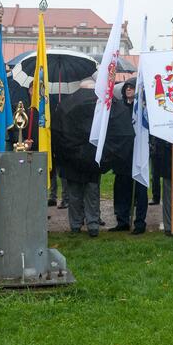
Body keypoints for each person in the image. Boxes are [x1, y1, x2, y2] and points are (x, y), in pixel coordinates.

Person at [53, 79, 105, 238]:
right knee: (85, 193)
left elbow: (58, 134)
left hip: (77, 157)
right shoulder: (98, 106)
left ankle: (83, 224)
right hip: (84, 157)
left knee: (82, 193)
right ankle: (87, 224)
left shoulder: (66, 106)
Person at [110, 81, 148, 234]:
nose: (129, 90)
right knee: (121, 189)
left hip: (138, 152)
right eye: (127, 88)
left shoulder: (142, 109)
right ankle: (123, 220)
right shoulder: (119, 107)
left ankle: (140, 222)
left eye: (132, 88)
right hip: (122, 155)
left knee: (140, 189)